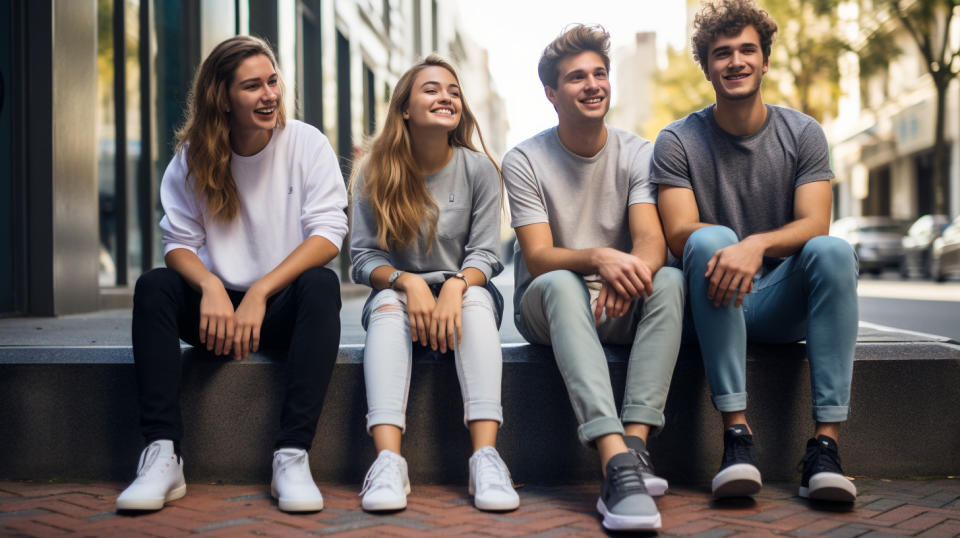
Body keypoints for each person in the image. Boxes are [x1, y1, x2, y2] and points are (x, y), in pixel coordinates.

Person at [116, 35, 347, 513]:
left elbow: (328, 234)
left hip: (278, 307)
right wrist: (210, 286)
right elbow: (178, 243)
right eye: (252, 87)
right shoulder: (192, 159)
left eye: (273, 81)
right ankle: (163, 453)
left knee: (321, 286)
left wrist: (261, 290)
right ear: (221, 97)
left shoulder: (306, 143)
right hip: (215, 316)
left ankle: (292, 454)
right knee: (154, 286)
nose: (269, 95)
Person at [652, 0, 858, 503]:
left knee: (833, 251)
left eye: (748, 50)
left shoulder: (804, 132)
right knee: (706, 238)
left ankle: (825, 449)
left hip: (779, 300)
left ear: (766, 61)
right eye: (722, 53)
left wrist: (757, 245)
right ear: (706, 66)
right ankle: (737, 439)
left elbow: (816, 223)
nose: (736, 61)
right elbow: (679, 232)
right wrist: (732, 247)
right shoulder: (676, 140)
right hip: (714, 301)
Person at [501, 24, 684, 531]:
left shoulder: (637, 152)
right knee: (561, 284)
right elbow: (538, 257)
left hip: (616, 299)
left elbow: (651, 241)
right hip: (548, 302)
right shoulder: (524, 159)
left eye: (599, 73)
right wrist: (601, 259)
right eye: (576, 77)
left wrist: (629, 274)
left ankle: (637, 446)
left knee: (669, 281)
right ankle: (613, 460)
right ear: (551, 94)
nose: (592, 84)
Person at [350, 55, 519, 513]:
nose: (445, 95)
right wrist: (408, 284)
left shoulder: (480, 170)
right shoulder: (374, 171)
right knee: (386, 311)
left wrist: (455, 286)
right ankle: (388, 462)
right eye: (431, 89)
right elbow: (363, 258)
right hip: (399, 296)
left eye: (453, 90)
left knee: (480, 304)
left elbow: (487, 254)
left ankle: (486, 458)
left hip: (465, 293)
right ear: (404, 108)